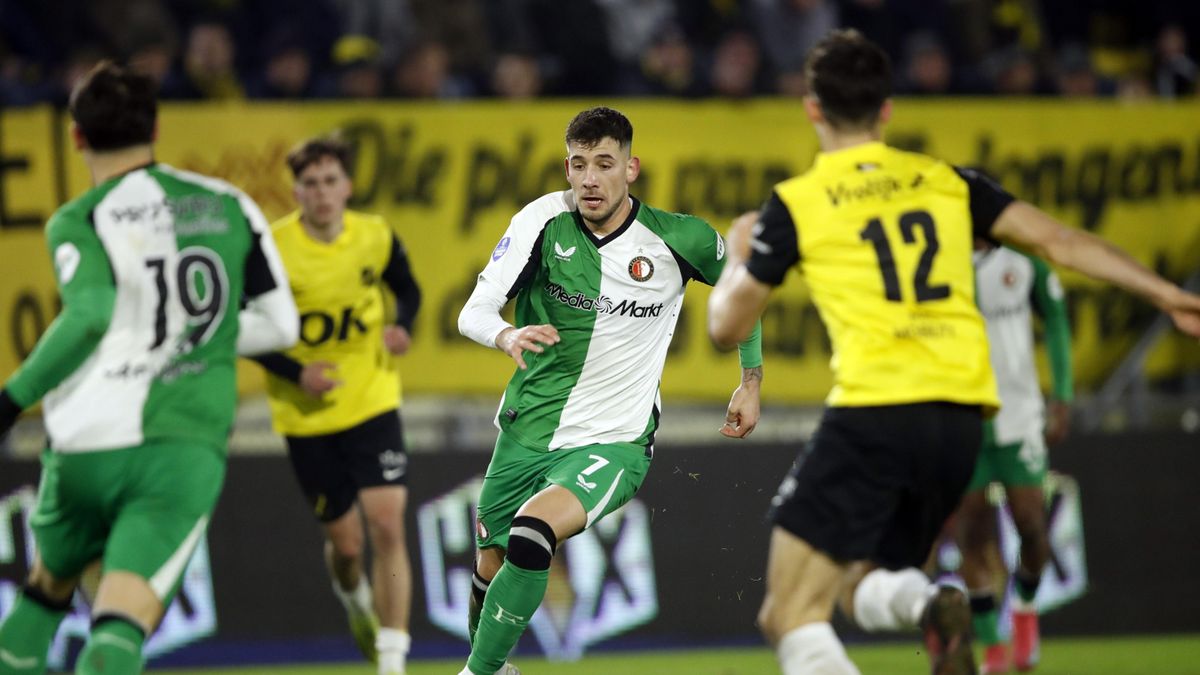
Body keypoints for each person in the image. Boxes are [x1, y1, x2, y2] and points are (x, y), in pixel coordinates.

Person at [706, 29, 1200, 675]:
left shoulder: (797, 204)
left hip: (875, 412)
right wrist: (1164, 291)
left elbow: (724, 325)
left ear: (812, 109)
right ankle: (931, 603)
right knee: (857, 580)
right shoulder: (946, 182)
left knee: (788, 614)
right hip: (958, 426)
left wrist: (741, 250)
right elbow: (1060, 241)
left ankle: (930, 604)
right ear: (887, 110)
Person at [0, 61, 297, 674]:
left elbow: (88, 317)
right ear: (156, 126)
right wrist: (201, 337)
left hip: (83, 443)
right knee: (118, 628)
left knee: (42, 595)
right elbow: (282, 327)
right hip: (177, 444)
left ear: (77, 137)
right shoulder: (229, 205)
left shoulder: (79, 219)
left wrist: (10, 400)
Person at [456, 106, 764, 675]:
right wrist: (506, 333)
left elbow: (745, 290)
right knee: (491, 567)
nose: (590, 178)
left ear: (632, 167)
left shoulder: (680, 239)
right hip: (528, 429)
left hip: (615, 440)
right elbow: (471, 311)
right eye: (579, 165)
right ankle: (495, 668)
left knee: (531, 534)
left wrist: (750, 381)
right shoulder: (542, 222)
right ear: (566, 169)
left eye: (604, 163)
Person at [249, 135, 422, 675]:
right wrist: (296, 372)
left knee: (388, 524)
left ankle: (392, 661)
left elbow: (408, 289)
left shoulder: (374, 235)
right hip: (306, 415)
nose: (321, 193)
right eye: (310, 184)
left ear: (346, 186)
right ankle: (355, 602)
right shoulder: (272, 250)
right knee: (346, 547)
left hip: (372, 397)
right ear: (295, 191)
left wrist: (403, 326)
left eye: (330, 181)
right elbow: (243, 329)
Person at [962, 245, 1073, 674]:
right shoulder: (942, 257)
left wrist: (1061, 396)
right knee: (971, 533)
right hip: (965, 420)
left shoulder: (1024, 261)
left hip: (1020, 416)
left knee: (1031, 524)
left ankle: (1025, 608)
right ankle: (991, 644)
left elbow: (1058, 318)